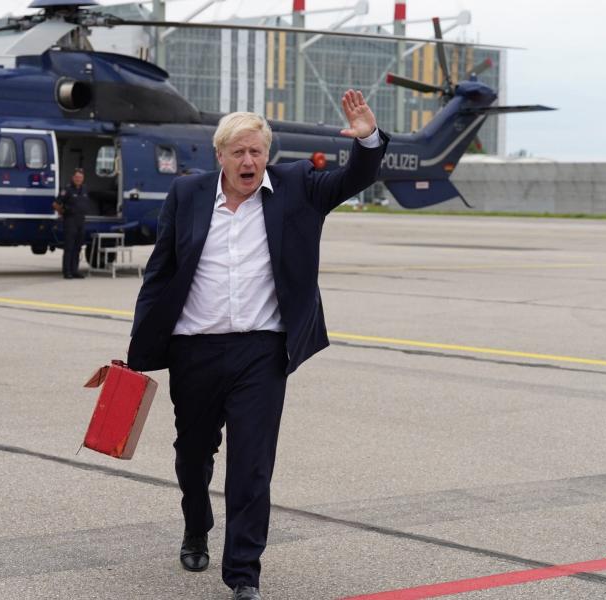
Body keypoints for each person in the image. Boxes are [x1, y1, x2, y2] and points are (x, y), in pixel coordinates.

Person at [127, 90, 388, 600]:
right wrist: (140, 346)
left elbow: (354, 178)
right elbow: (160, 273)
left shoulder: (296, 187)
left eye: (257, 152)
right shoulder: (187, 195)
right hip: (194, 350)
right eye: (239, 152)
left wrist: (367, 141)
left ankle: (244, 574)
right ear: (219, 155)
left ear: (267, 155)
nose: (249, 161)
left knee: (251, 465)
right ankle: (196, 524)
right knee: (193, 454)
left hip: (262, 353)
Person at [54, 167, 99, 279]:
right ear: (73, 178)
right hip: (70, 221)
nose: (78, 179)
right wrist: (63, 212)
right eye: (77, 177)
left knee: (78, 247)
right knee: (69, 247)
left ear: (83, 179)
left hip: (81, 221)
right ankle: (67, 271)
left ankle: (75, 270)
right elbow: (55, 204)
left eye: (80, 177)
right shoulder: (67, 189)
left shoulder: (84, 189)